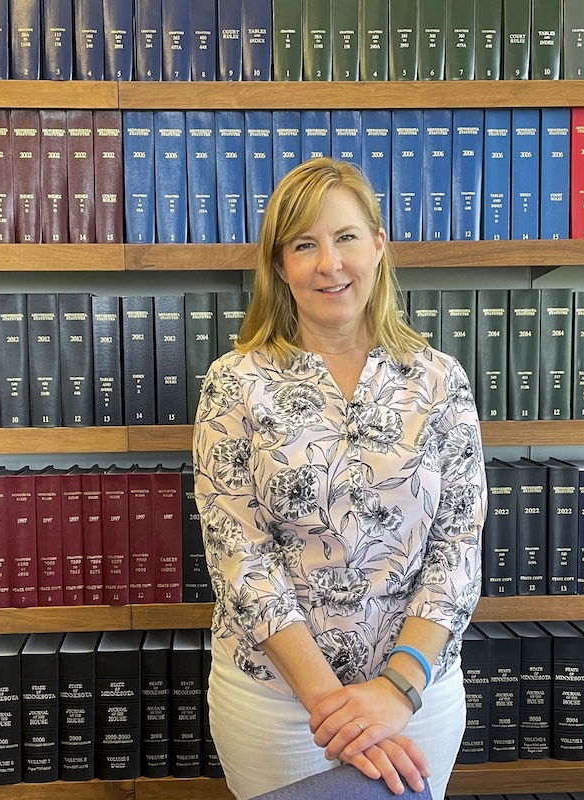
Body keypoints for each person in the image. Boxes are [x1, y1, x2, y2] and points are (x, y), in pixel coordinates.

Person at [193, 157, 486, 800]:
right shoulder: (234, 382)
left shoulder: (439, 381)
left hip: (417, 702)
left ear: (379, 246)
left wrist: (396, 690)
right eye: (304, 245)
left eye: (346, 237)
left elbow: (458, 548)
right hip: (277, 708)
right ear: (279, 267)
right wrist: (340, 712)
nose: (329, 263)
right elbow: (239, 556)